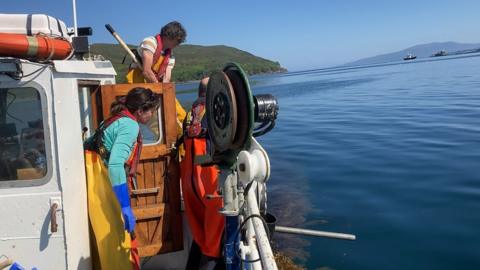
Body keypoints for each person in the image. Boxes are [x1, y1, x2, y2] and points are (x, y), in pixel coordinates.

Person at [84, 87, 161, 270]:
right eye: (151, 110)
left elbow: (89, 144)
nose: (152, 114)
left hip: (95, 178)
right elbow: (116, 164)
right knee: (118, 239)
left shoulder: (114, 119)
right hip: (103, 184)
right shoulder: (130, 126)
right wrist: (125, 205)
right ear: (140, 111)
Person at [181, 78, 226, 269]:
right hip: (207, 178)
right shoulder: (214, 110)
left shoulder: (190, 113)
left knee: (199, 230)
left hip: (189, 178)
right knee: (214, 233)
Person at [126, 21, 187, 138]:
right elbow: (146, 71)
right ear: (169, 36)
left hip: (157, 87)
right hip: (139, 85)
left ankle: (183, 140)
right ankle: (168, 141)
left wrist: (164, 93)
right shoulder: (149, 43)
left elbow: (166, 79)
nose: (178, 44)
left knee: (180, 113)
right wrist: (158, 90)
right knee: (155, 119)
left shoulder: (171, 56)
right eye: (177, 40)